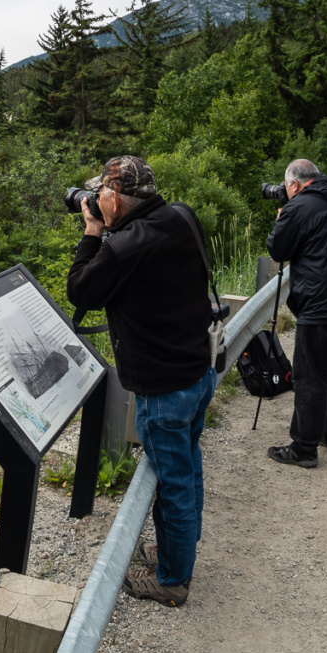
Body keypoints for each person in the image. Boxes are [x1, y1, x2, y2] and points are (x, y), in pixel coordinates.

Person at [67, 155, 214, 608]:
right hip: (198, 371)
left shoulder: (123, 248)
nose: (94, 200)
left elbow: (81, 290)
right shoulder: (180, 216)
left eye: (99, 194)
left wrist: (92, 232)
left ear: (114, 198)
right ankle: (178, 548)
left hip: (163, 389)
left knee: (173, 483)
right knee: (188, 468)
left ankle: (173, 580)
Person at [266, 159, 327, 468]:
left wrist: (282, 218)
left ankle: (304, 447)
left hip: (319, 304)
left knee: (311, 377)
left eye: (286, 187)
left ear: (294, 184)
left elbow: (277, 250)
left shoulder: (300, 206)